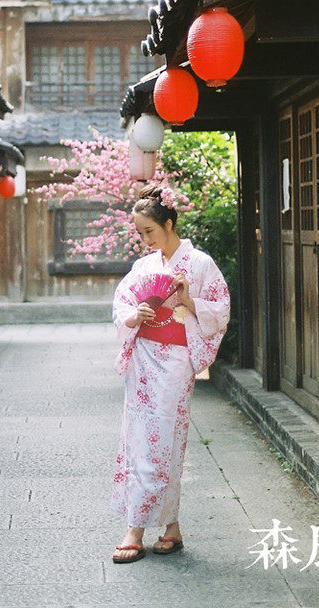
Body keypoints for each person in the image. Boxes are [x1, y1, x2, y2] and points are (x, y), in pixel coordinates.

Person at [110, 181, 231, 564]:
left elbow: (220, 310)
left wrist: (188, 299)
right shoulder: (143, 268)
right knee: (138, 438)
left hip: (177, 358)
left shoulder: (200, 264)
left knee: (167, 440)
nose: (145, 239)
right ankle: (143, 526)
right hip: (144, 355)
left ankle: (156, 526)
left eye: (150, 231)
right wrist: (135, 315)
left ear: (169, 222)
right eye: (140, 233)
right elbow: (122, 305)